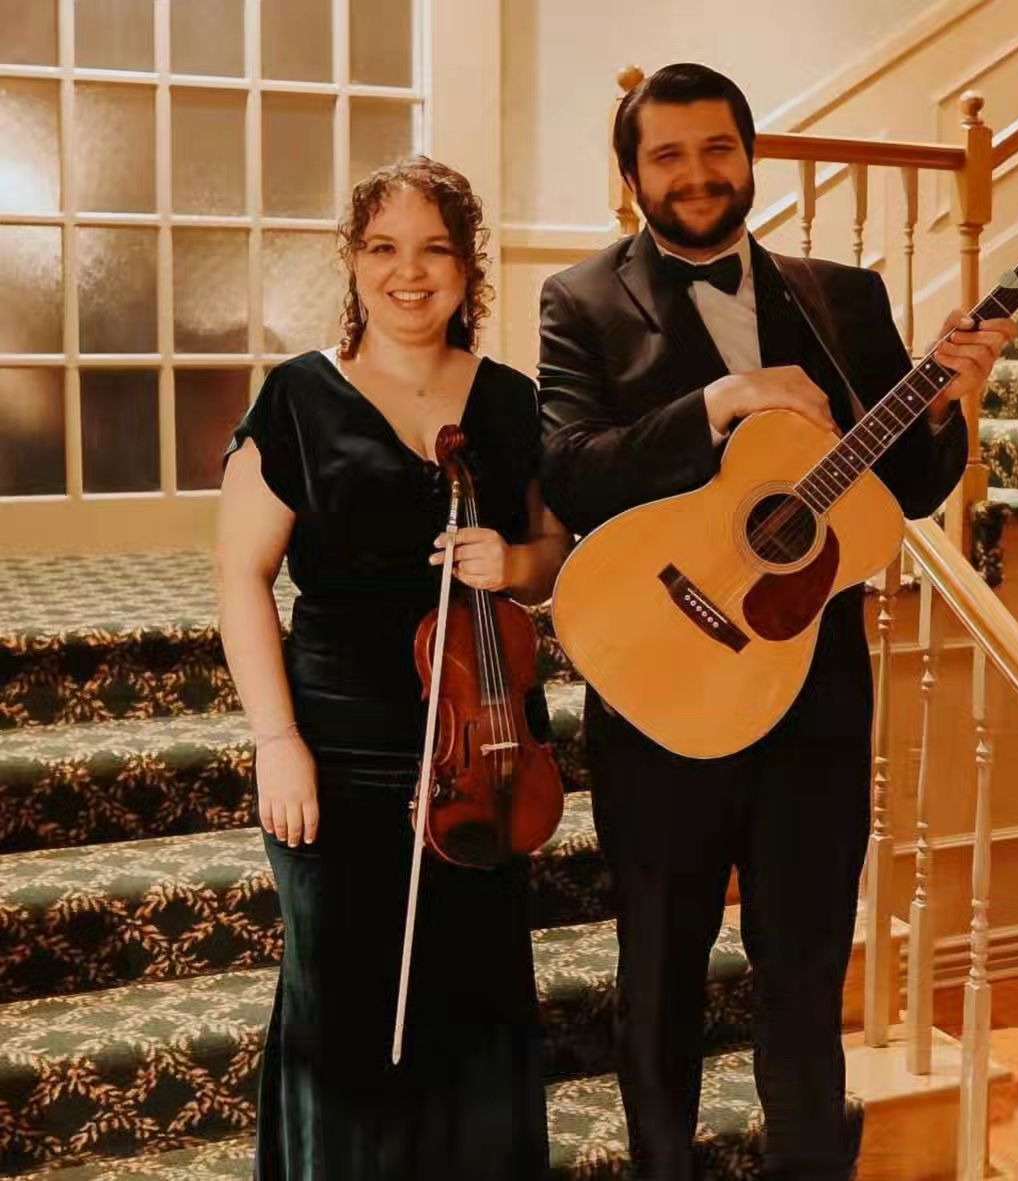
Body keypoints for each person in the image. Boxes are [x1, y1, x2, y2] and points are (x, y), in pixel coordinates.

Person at [537, 64, 1017, 1181]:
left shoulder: (839, 294)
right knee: (657, 972)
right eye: (666, 154)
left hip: (812, 703)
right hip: (660, 690)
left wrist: (947, 408)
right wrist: (722, 402)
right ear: (630, 177)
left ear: (748, 158)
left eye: (715, 149)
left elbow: (894, 490)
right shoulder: (581, 301)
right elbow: (568, 472)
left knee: (801, 978)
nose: (695, 174)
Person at [215, 156, 570, 1180]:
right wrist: (276, 743)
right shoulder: (297, 398)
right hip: (336, 750)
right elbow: (241, 579)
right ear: (352, 261)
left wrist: (516, 561)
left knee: (475, 1019)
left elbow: (555, 556)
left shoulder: (508, 403)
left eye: (433, 250)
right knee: (347, 1029)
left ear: (467, 269)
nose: (407, 273)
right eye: (382, 248)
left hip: (486, 755)